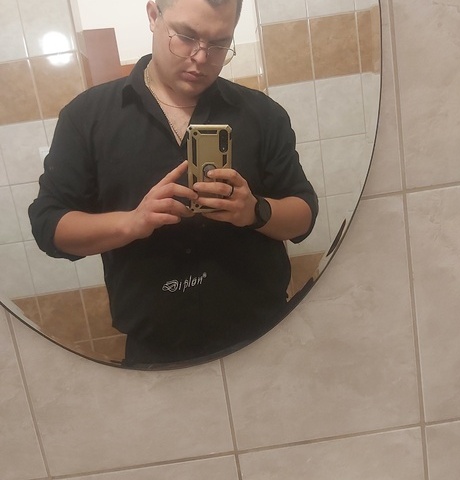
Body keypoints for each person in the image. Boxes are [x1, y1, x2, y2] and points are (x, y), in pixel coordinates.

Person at [29, 0, 318, 367]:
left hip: (267, 342)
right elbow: (49, 226)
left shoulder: (262, 114)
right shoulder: (86, 117)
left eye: (219, 44)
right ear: (153, 16)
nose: (201, 57)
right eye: (186, 36)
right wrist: (131, 223)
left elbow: (304, 216)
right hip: (156, 357)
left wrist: (255, 211)